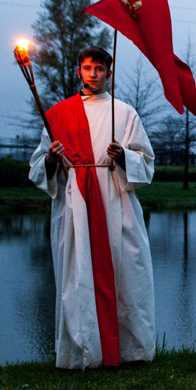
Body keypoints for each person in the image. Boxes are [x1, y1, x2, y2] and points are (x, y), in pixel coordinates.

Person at [29, 46, 156, 369]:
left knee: (128, 271)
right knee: (78, 276)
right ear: (78, 72)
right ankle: (83, 351)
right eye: (87, 68)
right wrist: (53, 159)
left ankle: (132, 350)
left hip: (117, 203)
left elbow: (148, 163)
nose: (94, 74)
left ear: (109, 73)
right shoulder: (58, 115)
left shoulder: (124, 113)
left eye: (100, 69)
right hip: (77, 206)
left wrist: (123, 156)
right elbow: (36, 168)